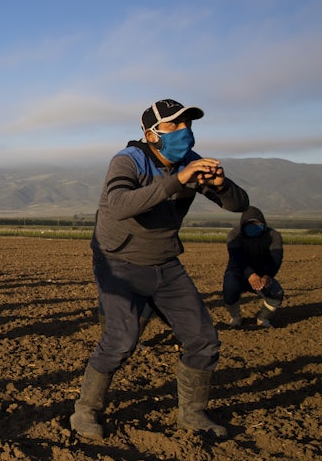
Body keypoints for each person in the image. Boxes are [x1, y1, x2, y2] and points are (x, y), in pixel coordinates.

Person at [70, 99, 249, 440]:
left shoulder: (191, 163)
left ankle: (193, 413)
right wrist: (177, 180)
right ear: (151, 134)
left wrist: (222, 185)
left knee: (203, 340)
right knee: (121, 340)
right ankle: (86, 410)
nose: (184, 132)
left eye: (187, 125)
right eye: (174, 126)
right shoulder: (128, 160)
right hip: (117, 261)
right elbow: (119, 204)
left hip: (164, 262)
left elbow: (239, 205)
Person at [222, 206, 284, 328]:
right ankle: (235, 317)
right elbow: (237, 257)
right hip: (237, 271)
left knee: (277, 293)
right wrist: (250, 274)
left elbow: (276, 257)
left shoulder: (273, 236)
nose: (253, 227)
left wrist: (267, 275)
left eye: (257, 223)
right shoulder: (234, 235)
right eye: (249, 224)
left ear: (263, 223)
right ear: (242, 225)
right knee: (229, 288)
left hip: (263, 273)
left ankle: (263, 318)